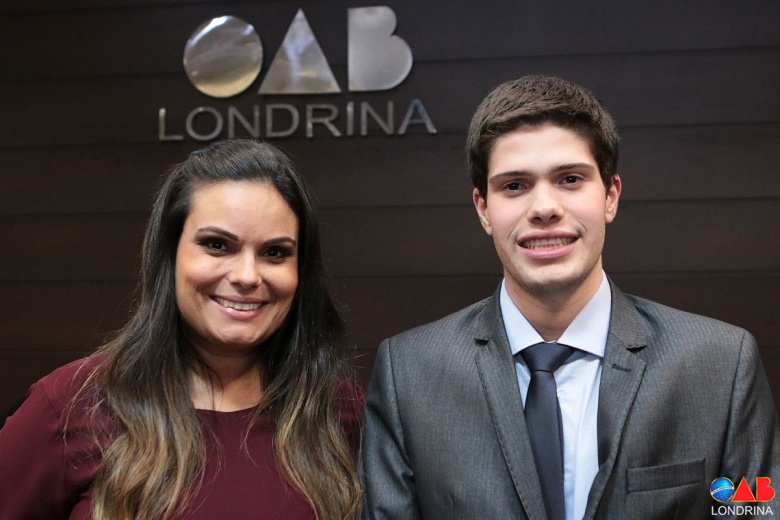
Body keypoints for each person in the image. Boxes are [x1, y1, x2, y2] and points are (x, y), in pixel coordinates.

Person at [359, 75, 780, 519]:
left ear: (610, 195)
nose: (544, 208)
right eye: (514, 185)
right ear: (483, 209)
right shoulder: (410, 374)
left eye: (570, 179)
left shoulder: (720, 364)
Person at [0, 139, 363, 520]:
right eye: (217, 245)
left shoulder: (336, 411)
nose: (246, 276)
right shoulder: (71, 404)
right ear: (170, 255)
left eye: (274, 252)